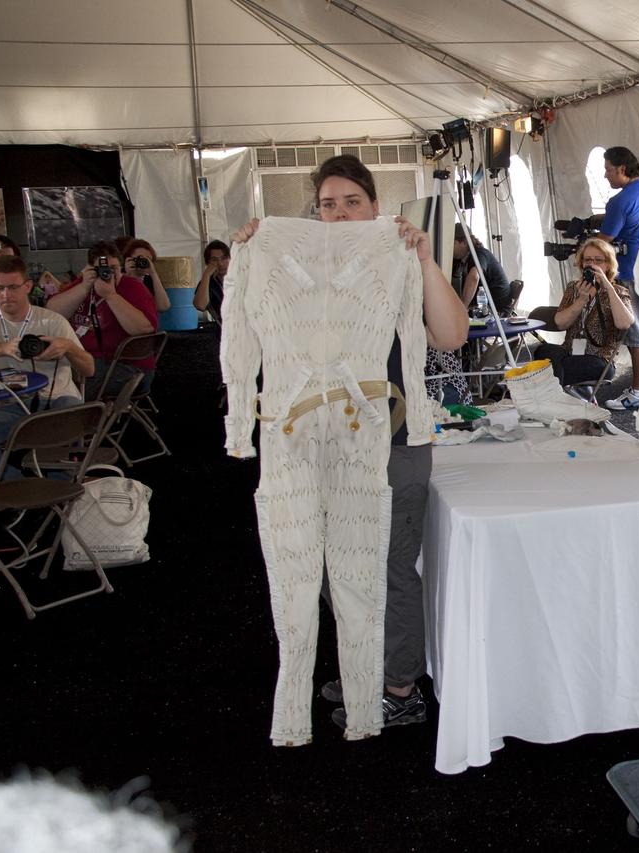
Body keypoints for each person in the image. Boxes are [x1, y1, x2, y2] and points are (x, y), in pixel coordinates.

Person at [230, 154, 467, 732]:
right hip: (319, 443)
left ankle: (399, 686)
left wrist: (422, 261)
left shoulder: (397, 256)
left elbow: (452, 336)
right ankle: (364, 665)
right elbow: (247, 321)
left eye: (351, 203)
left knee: (386, 564)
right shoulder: (295, 264)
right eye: (326, 206)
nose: (338, 217)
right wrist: (251, 254)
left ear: (375, 207)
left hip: (391, 442)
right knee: (334, 562)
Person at [0, 255, 93, 485]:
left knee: (69, 410)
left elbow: (88, 369)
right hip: (14, 406)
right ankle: (13, 486)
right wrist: (2, 348)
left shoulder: (51, 322)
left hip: (56, 401)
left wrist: (67, 347)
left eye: (13, 287)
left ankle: (62, 485)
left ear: (27, 286)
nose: (6, 294)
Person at [46, 242, 159, 399]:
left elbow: (144, 328)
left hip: (125, 367)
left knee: (63, 389)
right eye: (103, 269)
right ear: (90, 269)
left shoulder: (132, 287)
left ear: (121, 267)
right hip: (82, 360)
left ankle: (77, 417)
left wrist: (111, 296)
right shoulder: (84, 284)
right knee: (49, 379)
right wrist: (84, 286)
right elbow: (51, 313)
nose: (109, 274)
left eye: (114, 269)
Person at [597, 146, 639, 411]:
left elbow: (602, 243)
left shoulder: (619, 201)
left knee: (638, 336)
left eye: (608, 170)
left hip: (629, 273)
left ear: (622, 169)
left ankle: (638, 392)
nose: (605, 176)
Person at [531, 236, 634, 388]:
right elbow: (560, 323)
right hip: (569, 351)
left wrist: (608, 287)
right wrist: (581, 300)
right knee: (544, 350)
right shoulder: (574, 288)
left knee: (549, 368)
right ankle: (555, 395)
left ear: (608, 265)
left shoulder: (618, 291)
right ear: (581, 263)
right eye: (588, 260)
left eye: (598, 260)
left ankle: (551, 394)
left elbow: (625, 323)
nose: (592, 265)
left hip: (599, 359)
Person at [451, 224, 511, 313]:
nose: (451, 247)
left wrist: (462, 309)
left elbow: (474, 277)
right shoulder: (461, 259)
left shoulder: (479, 254)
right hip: (482, 307)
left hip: (496, 310)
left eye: (454, 243)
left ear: (464, 243)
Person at [123, 238, 171, 313]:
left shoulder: (150, 281)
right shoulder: (119, 279)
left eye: (147, 259)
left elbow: (163, 307)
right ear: (129, 259)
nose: (143, 261)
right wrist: (130, 275)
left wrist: (153, 273)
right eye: (139, 258)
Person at [193, 239, 229, 318]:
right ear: (207, 263)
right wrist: (206, 275)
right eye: (214, 260)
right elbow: (200, 305)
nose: (220, 263)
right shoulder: (208, 283)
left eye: (224, 258)